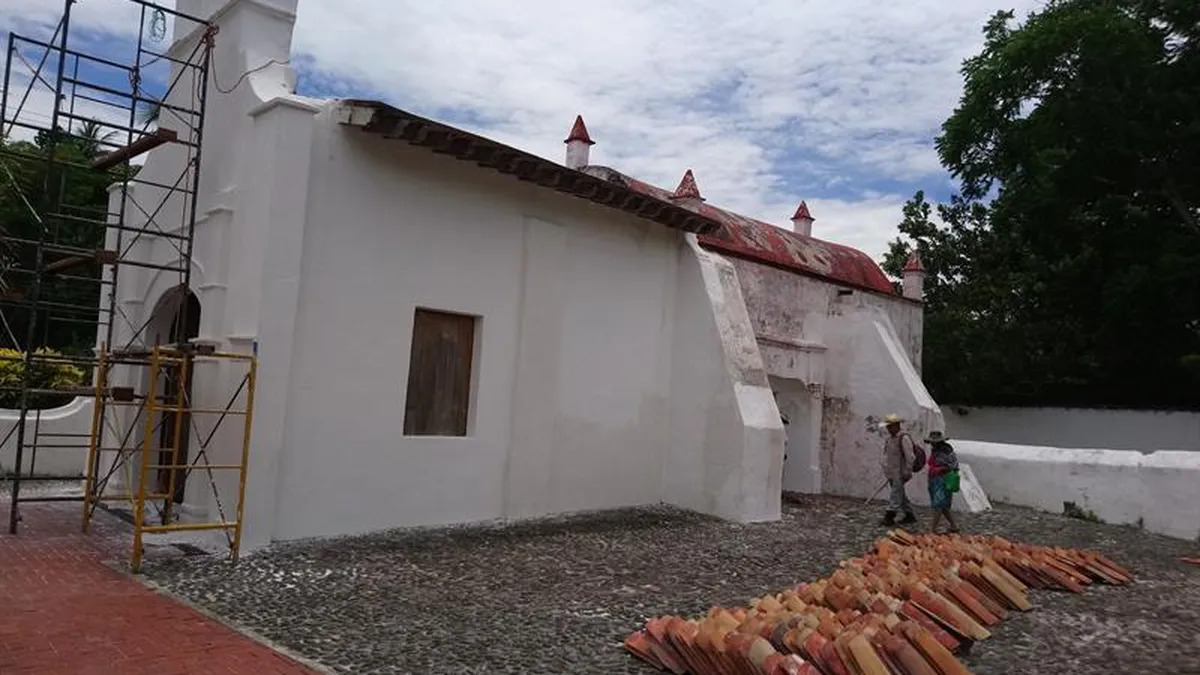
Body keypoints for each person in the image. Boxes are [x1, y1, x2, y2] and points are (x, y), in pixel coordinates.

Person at [880, 413, 920, 526]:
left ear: (896, 425)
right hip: (892, 472)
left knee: (895, 494)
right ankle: (909, 514)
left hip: (901, 472)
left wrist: (907, 470)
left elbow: (910, 457)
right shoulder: (889, 439)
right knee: (900, 494)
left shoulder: (904, 438)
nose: (888, 429)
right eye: (888, 427)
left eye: (890, 426)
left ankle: (890, 516)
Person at [925, 430, 961, 534]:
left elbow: (952, 466)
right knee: (943, 506)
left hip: (942, 480)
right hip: (935, 479)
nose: (932, 444)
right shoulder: (936, 450)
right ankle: (954, 526)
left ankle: (932, 529)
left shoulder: (946, 452)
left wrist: (939, 469)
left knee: (939, 505)